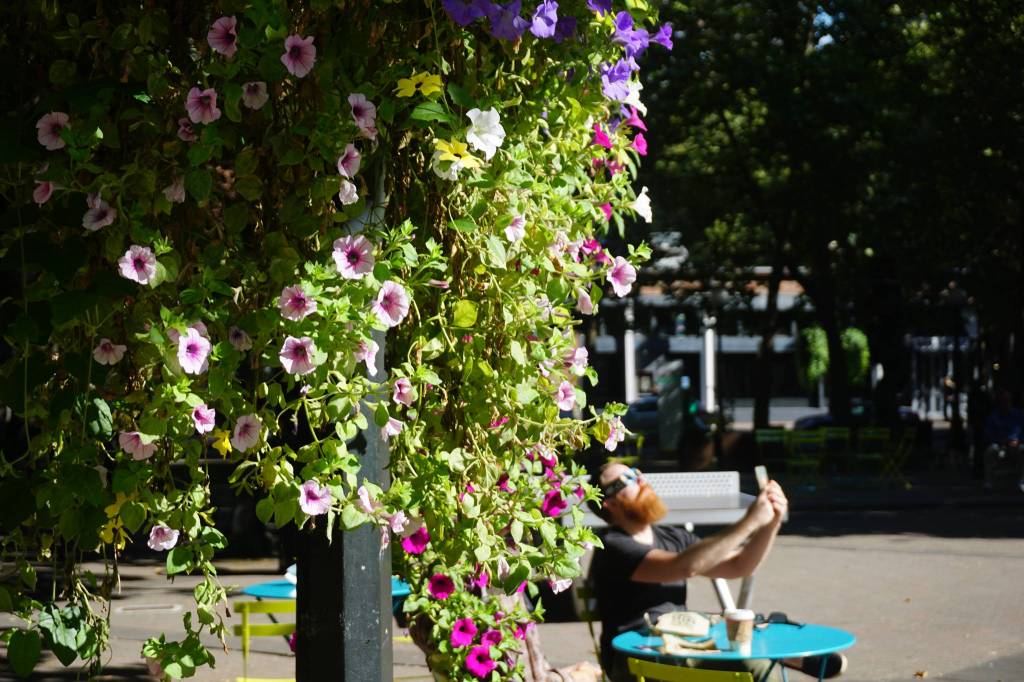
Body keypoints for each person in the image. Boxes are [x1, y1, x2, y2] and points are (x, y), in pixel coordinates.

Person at [590, 463, 847, 681]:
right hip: (637, 655)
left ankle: (778, 653)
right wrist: (750, 522)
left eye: (637, 472)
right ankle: (781, 656)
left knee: (745, 639)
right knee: (753, 667)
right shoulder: (613, 545)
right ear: (609, 502)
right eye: (629, 479)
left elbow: (739, 565)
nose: (641, 479)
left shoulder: (672, 536)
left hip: (679, 641)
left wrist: (771, 523)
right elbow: (685, 567)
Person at [981, 388, 1024, 492]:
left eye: (1007, 401)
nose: (1005, 404)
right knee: (990, 451)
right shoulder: (993, 416)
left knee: (1023, 450)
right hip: (999, 444)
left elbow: (1021, 431)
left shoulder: (1019, 415)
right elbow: (988, 433)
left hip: (1016, 444)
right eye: (1002, 401)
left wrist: (1017, 440)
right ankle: (989, 481)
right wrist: (1000, 441)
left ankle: (1022, 481)